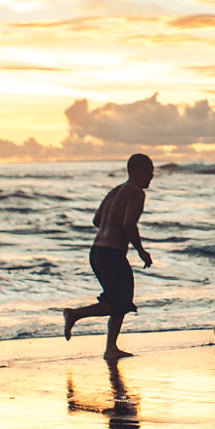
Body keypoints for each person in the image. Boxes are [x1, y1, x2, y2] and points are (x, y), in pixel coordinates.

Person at [62, 153, 154, 359]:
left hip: (97, 252)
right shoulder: (137, 193)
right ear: (140, 172)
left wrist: (109, 227)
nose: (152, 176)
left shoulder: (116, 191)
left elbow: (96, 220)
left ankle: (111, 348)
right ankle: (75, 314)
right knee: (119, 302)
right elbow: (129, 224)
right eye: (150, 171)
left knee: (119, 299)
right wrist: (141, 251)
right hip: (112, 254)